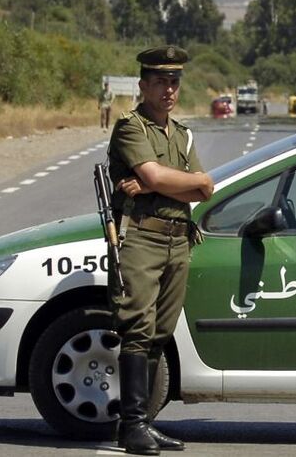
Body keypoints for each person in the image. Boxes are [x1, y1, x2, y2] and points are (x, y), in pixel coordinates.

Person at [108, 45, 214, 455]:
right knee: (137, 327)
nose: (168, 90)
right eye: (160, 82)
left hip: (177, 237)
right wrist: (167, 180)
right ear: (143, 86)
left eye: (174, 82)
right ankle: (131, 424)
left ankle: (144, 424)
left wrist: (154, 184)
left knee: (160, 332)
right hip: (142, 236)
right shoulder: (131, 127)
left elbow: (205, 187)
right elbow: (158, 172)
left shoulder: (182, 133)